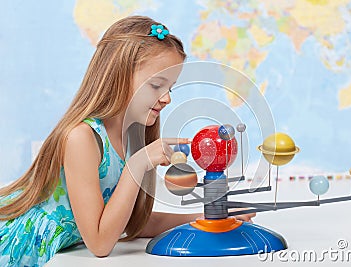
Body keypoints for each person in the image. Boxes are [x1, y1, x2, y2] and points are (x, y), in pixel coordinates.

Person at [0, 15, 255, 266]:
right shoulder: (82, 139)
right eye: (157, 85)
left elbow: (130, 223)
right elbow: (100, 243)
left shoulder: (133, 138)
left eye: (171, 87)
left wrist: (206, 217)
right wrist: (137, 165)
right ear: (117, 77)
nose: (167, 98)